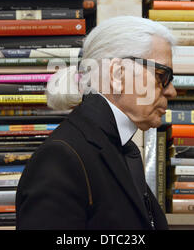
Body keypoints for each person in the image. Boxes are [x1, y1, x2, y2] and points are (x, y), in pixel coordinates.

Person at [15, 16, 177, 230]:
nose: (171, 91)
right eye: (161, 75)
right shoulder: (61, 158)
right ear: (118, 74)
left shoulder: (117, 147)